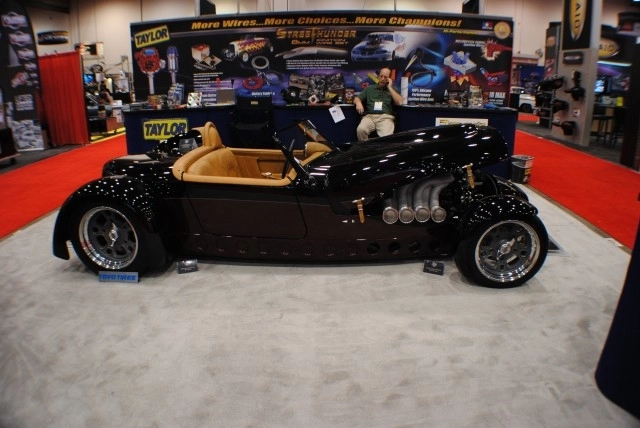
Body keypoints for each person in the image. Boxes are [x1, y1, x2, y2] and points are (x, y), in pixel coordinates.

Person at [353, 67, 403, 140]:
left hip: (385, 117)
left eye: (385, 77)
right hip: (370, 117)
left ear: (389, 79)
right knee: (361, 130)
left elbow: (400, 102)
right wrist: (358, 103)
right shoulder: (370, 88)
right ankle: (365, 146)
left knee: (387, 137)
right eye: (381, 76)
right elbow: (357, 98)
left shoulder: (393, 89)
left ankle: (381, 148)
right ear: (378, 76)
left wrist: (389, 87)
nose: (382, 79)